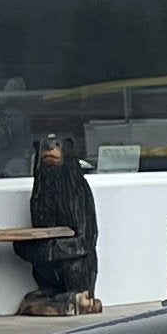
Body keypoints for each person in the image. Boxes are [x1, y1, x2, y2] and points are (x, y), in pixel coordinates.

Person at [16, 131, 101, 317]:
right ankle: (50, 288)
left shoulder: (78, 190)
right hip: (53, 255)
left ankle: (77, 291)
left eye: (56, 147)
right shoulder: (40, 191)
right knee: (36, 258)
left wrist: (56, 249)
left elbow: (86, 236)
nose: (49, 151)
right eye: (44, 149)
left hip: (74, 258)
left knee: (74, 265)